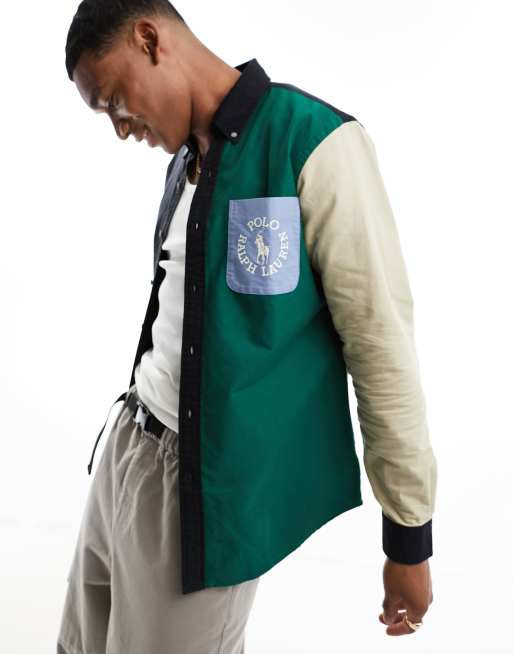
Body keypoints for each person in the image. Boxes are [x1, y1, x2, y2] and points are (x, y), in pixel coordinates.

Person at [57, 1, 437, 651]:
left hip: (205, 492)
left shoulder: (313, 142)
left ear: (149, 39)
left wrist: (408, 536)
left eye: (115, 101)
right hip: (127, 447)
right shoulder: (184, 162)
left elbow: (379, 344)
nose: (120, 129)